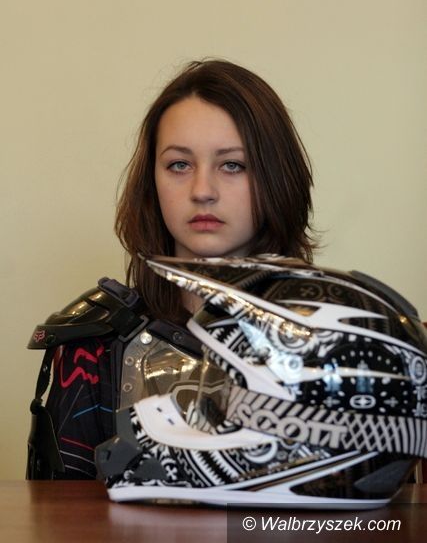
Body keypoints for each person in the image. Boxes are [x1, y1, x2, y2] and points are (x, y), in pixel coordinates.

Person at [27, 59, 316, 479]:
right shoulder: (92, 352)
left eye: (233, 165)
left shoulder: (343, 345)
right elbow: (60, 512)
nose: (202, 191)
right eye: (179, 164)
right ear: (152, 181)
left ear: (276, 177)